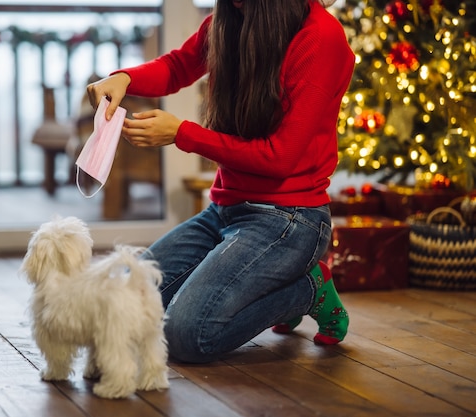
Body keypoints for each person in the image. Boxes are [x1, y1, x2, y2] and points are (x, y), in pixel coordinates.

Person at [86, 0, 354, 364]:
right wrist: (125, 78)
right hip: (224, 212)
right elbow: (179, 66)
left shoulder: (320, 37)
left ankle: (307, 289)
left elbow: (280, 158)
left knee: (184, 335)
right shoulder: (228, 20)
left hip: (291, 219)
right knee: (126, 300)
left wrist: (182, 134)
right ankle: (271, 286)